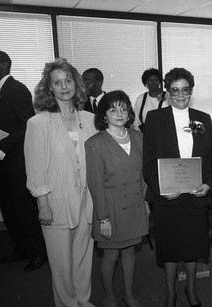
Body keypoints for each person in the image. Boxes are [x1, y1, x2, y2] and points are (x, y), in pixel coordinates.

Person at [24, 58, 97, 307]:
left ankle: (83, 301)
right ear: (49, 88)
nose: (64, 86)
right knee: (61, 265)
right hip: (55, 203)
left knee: (83, 259)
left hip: (87, 201)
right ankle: (67, 304)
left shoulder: (90, 120)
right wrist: (42, 204)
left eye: (68, 80)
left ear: (76, 84)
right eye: (57, 82)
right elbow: (34, 168)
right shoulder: (38, 123)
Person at [143, 67, 212, 307]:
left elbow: (210, 159)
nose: (180, 94)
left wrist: (207, 184)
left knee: (193, 247)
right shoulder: (154, 119)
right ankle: (171, 291)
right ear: (168, 92)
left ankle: (191, 290)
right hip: (168, 197)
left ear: (191, 91)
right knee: (170, 247)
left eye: (185, 90)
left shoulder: (203, 118)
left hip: (195, 195)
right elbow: (148, 162)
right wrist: (162, 187)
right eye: (175, 90)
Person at [0, 50, 46, 272]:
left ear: (4, 65)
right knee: (9, 209)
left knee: (23, 208)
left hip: (17, 161)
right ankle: (22, 248)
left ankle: (38, 252)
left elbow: (26, 125)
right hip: (4, 161)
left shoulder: (17, 89)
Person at [85, 90, 149, 307]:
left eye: (123, 108)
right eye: (113, 109)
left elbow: (143, 176)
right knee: (111, 256)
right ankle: (109, 295)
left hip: (134, 206)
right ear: (104, 115)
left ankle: (129, 294)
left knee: (130, 251)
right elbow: (95, 184)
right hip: (110, 211)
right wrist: (103, 218)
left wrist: (146, 203)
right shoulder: (95, 143)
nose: (119, 113)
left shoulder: (139, 137)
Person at [133, 68, 169, 132]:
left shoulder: (168, 97)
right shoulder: (140, 98)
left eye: (156, 80)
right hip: (145, 134)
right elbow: (136, 121)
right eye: (150, 80)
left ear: (159, 81)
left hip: (164, 134)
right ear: (145, 82)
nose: (153, 82)